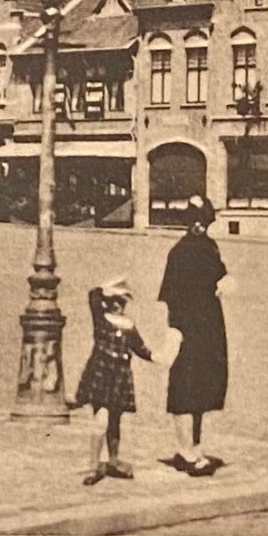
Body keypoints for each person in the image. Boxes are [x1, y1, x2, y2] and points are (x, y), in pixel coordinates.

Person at [158, 195, 229, 478]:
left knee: (205, 386)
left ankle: (195, 447)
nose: (199, 226)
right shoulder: (178, 253)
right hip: (187, 328)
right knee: (183, 387)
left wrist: (225, 281)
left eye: (204, 221)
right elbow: (171, 296)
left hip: (210, 327)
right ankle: (185, 450)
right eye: (194, 221)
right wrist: (174, 330)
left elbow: (220, 275)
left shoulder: (210, 248)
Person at [73, 276, 153, 486]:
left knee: (115, 420)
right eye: (115, 301)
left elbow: (140, 348)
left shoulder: (129, 325)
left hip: (119, 377)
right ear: (108, 301)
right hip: (101, 375)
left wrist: (157, 357)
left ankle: (113, 459)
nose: (118, 306)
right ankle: (94, 465)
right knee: (101, 420)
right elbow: (93, 295)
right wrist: (107, 288)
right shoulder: (101, 318)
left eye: (122, 302)